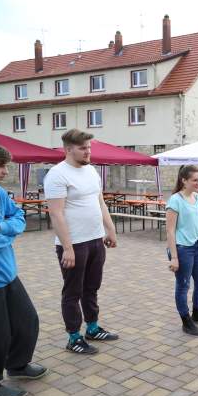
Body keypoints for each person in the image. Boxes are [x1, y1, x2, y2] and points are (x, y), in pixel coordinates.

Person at [44, 129, 119, 355]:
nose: (88, 152)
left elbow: (100, 203)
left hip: (96, 240)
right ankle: (74, 337)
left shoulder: (91, 171)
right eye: (83, 148)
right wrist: (67, 247)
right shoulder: (57, 175)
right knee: (73, 292)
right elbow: (55, 214)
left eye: (89, 147)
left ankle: (93, 328)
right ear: (68, 149)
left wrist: (111, 229)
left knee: (91, 288)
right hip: (74, 244)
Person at [0, 143, 48, 396]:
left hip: (7, 273)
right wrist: (7, 233)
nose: (5, 172)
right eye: (1, 166)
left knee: (27, 320)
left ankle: (18, 364)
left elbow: (19, 217)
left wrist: (2, 228)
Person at [166, 165, 198, 337]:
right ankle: (186, 321)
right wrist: (174, 257)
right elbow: (170, 231)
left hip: (196, 246)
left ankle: (197, 312)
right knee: (183, 285)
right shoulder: (175, 200)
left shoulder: (197, 197)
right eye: (194, 180)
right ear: (184, 180)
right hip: (182, 248)